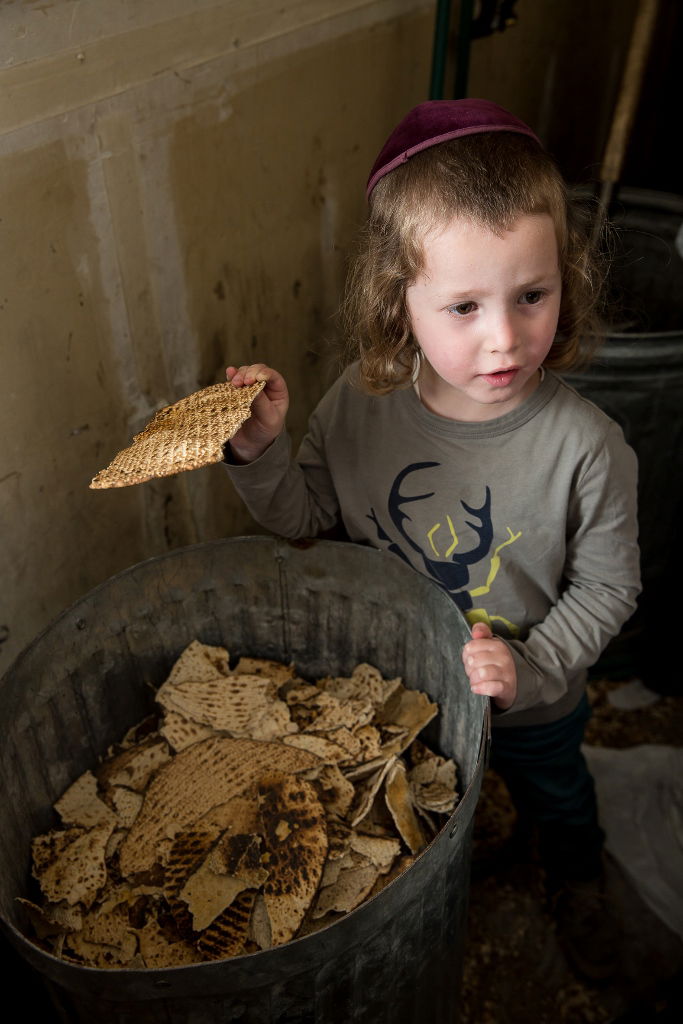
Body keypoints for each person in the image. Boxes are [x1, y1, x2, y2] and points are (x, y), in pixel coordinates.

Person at [222, 99, 641, 979]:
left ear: (565, 277)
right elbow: (304, 520)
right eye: (462, 307)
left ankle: (571, 876)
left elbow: (607, 588)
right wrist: (256, 454)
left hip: (533, 702)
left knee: (557, 793)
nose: (505, 338)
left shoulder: (588, 449)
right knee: (426, 804)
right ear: (396, 300)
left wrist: (530, 672)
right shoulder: (355, 404)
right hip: (399, 687)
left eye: (532, 294)